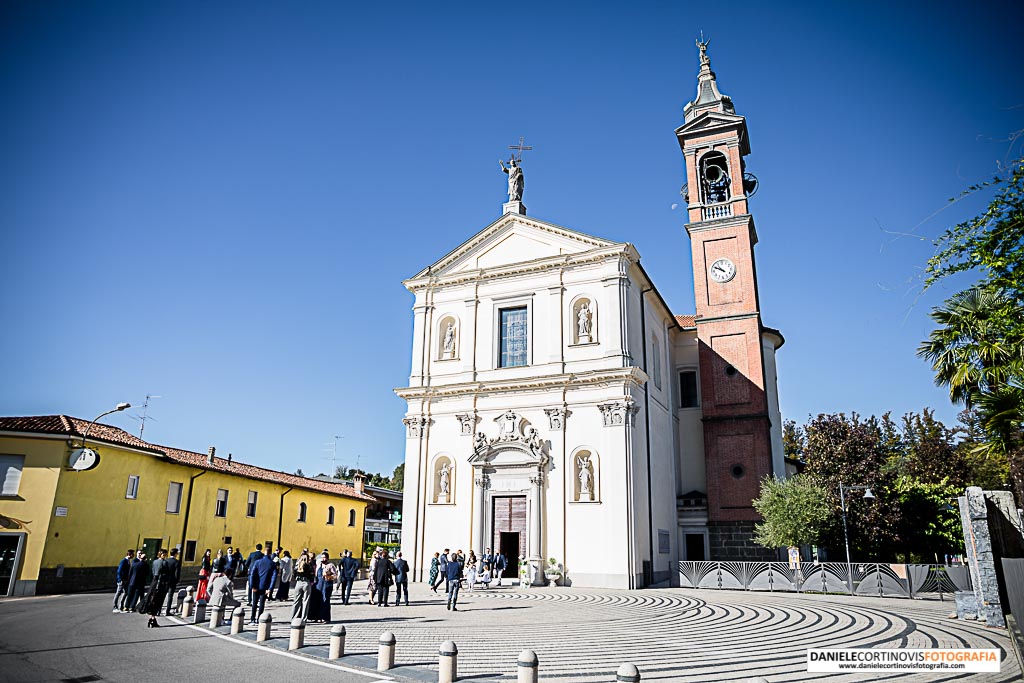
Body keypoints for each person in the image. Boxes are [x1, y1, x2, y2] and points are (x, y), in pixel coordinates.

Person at [143, 549, 173, 628]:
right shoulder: (164, 563)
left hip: (154, 582)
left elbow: (153, 572)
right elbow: (166, 574)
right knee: (157, 601)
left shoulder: (155, 561)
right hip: (160, 583)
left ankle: (152, 618)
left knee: (152, 600)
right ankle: (153, 619)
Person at [248, 547, 277, 624]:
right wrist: (270, 588)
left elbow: (252, 574)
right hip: (265, 586)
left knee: (254, 603)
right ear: (270, 553)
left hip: (256, 586)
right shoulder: (272, 564)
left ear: (264, 552)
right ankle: (259, 618)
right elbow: (274, 578)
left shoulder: (257, 562)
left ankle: (252, 619)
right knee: (262, 603)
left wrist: (252, 586)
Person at [313, 552, 338, 623]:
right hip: (319, 585)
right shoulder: (319, 565)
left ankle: (325, 617)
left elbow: (335, 576)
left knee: (325, 600)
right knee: (318, 601)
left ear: (327, 558)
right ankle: (317, 617)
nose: (323, 559)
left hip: (327, 585)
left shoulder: (330, 565)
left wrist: (328, 576)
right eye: (322, 557)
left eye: (324, 557)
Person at [291, 549, 315, 621]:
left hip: (298, 583)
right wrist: (311, 581)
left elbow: (294, 574)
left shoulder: (297, 566)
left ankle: (294, 618)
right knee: (305, 601)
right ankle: (304, 618)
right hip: (306, 583)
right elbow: (312, 575)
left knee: (296, 601)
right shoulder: (309, 565)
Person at [163, 548, 181, 616]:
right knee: (170, 596)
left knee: (163, 595)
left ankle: (158, 610)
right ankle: (167, 611)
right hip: (172, 581)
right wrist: (177, 580)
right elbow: (177, 573)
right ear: (176, 554)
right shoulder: (176, 562)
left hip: (165, 580)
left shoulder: (166, 561)